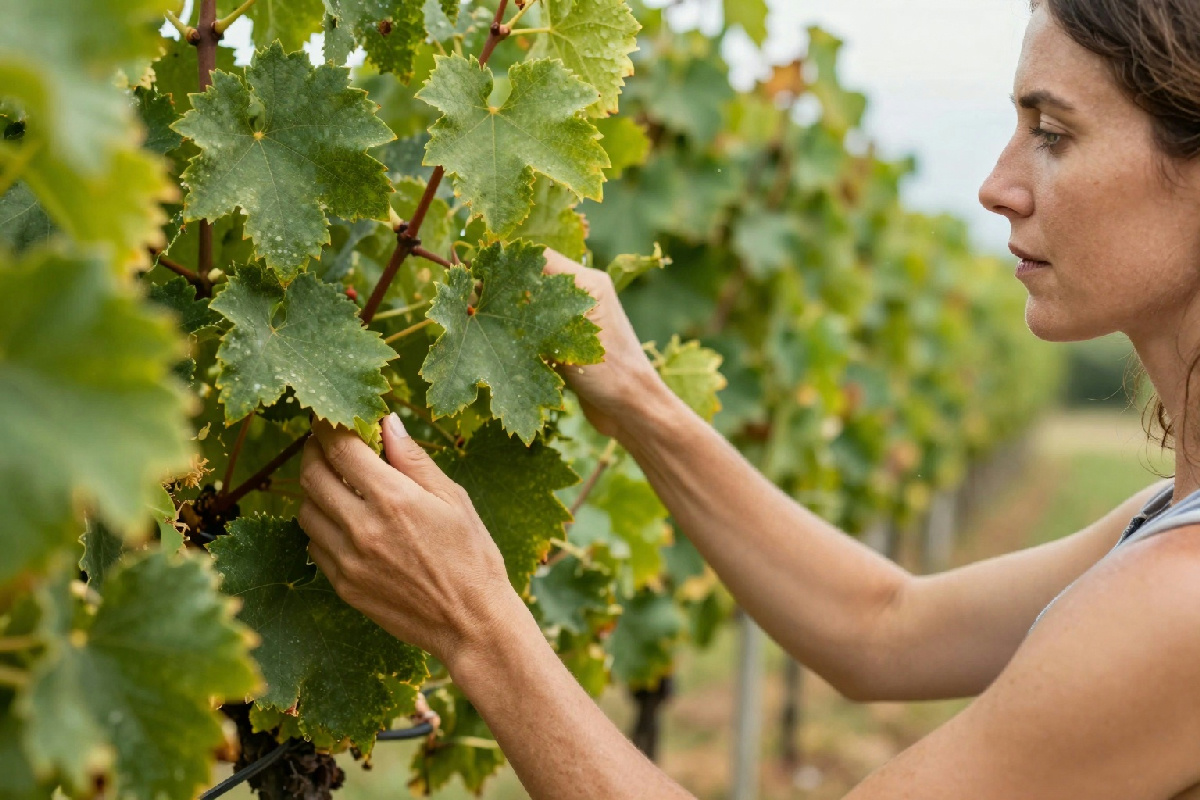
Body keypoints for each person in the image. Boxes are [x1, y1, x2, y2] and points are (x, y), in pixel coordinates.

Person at [296, 0, 1200, 796]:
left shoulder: (1177, 605)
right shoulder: (1164, 524)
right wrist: (639, 398)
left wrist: (477, 627)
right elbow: (881, 628)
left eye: (1052, 132)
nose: (996, 186)